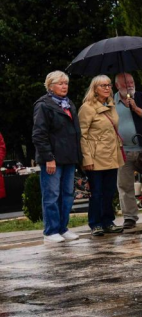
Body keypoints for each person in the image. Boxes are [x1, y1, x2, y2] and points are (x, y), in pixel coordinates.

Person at [32, 71, 81, 244]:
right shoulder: (43, 105)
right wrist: (48, 158)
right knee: (51, 195)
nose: (64, 86)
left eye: (66, 83)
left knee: (67, 194)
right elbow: (39, 135)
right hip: (52, 159)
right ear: (50, 86)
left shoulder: (69, 104)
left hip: (68, 157)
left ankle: (62, 228)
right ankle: (50, 230)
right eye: (60, 83)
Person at [78, 75, 125, 237]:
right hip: (95, 157)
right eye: (103, 85)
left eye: (109, 85)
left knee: (109, 191)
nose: (107, 88)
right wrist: (86, 158)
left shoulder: (111, 106)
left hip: (112, 155)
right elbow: (82, 135)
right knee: (97, 192)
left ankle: (108, 221)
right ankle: (95, 223)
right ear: (95, 89)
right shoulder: (87, 108)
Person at [113, 72, 142, 228]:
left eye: (131, 81)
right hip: (123, 150)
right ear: (117, 86)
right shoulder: (110, 102)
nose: (129, 85)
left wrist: (136, 108)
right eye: (125, 83)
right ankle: (129, 217)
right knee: (124, 185)